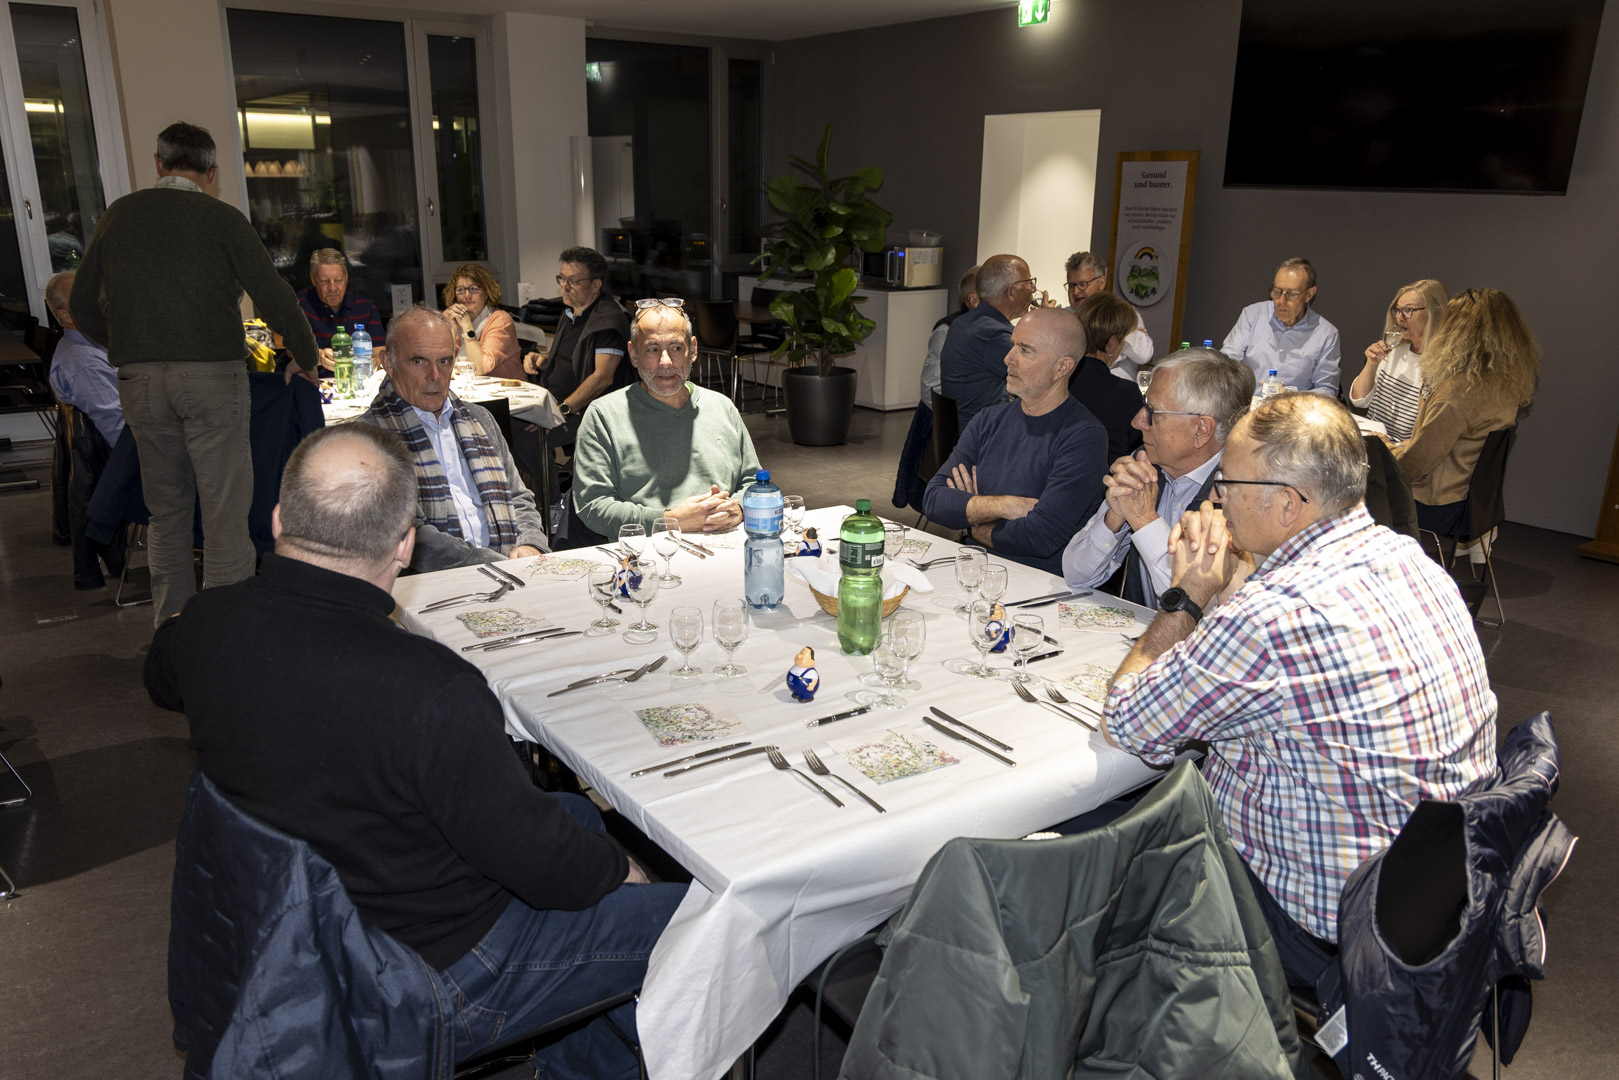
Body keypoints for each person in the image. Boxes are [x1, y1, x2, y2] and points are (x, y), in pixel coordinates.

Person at [144, 422, 683, 1074]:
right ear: (405, 546)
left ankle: (587, 1061)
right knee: (695, 921)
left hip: (297, 923)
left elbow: (161, 672)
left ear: (281, 517)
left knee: (573, 816)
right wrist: (619, 872)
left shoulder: (205, 627)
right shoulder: (431, 688)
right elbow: (538, 864)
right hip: (423, 974)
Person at [1102, 393, 1496, 990]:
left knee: (1098, 842)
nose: (1217, 498)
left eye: (1228, 483)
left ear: (1288, 503)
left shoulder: (1275, 614)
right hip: (1435, 897)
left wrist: (1189, 596)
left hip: (1323, 925)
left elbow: (1127, 722)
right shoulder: (1411, 561)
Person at [69, 121, 320, 626]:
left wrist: (126, 346)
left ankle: (172, 635)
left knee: (167, 516)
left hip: (140, 381)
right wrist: (306, 355)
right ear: (211, 173)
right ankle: (221, 641)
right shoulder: (222, 218)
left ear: (158, 164)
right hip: (211, 379)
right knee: (225, 517)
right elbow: (273, 294)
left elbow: (81, 304)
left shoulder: (119, 215)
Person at [357, 307, 548, 571]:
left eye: (444, 361)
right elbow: (410, 536)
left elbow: (518, 496)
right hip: (434, 582)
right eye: (419, 361)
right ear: (388, 363)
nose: (435, 376)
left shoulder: (479, 419)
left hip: (513, 568)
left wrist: (530, 544)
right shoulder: (367, 438)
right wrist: (498, 565)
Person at [923, 307, 1108, 574]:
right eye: (1012, 346)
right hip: (975, 569)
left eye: (1025, 350)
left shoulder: (1084, 437)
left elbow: (1040, 536)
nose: (1008, 358)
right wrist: (1007, 505)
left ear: (1062, 367)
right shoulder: (988, 420)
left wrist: (974, 521)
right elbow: (934, 500)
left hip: (1036, 583)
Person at [1062, 347, 1253, 603]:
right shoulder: (1146, 466)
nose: (1137, 422)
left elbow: (1193, 600)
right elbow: (1076, 575)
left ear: (1201, 430)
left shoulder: (1240, 496)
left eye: (1152, 412)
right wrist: (1114, 518)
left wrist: (1144, 520)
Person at [572, 300, 760, 538]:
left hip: (727, 543)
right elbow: (592, 506)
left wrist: (739, 508)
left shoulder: (722, 407)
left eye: (676, 347)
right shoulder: (603, 416)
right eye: (652, 349)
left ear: (693, 350)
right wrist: (670, 521)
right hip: (650, 549)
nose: (665, 362)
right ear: (634, 354)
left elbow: (755, 482)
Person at [1393, 288, 1539, 535]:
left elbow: (1413, 467)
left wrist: (1387, 450)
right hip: (1475, 505)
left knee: (1358, 481)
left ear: (1455, 332)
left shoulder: (1456, 393)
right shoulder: (1504, 385)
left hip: (1438, 505)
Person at [45, 270, 126, 589]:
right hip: (123, 464)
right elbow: (119, 431)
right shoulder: (84, 362)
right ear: (65, 315)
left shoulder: (91, 347)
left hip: (111, 459)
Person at [523, 246, 633, 429]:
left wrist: (560, 411)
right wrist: (545, 360)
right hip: (554, 403)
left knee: (520, 438)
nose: (564, 287)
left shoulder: (608, 322)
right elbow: (574, 356)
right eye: (562, 278)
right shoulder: (570, 313)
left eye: (573, 281)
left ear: (595, 285)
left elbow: (602, 378)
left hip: (585, 414)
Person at [939, 253, 1036, 431]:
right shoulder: (993, 334)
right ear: (1011, 292)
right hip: (985, 435)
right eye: (1029, 282)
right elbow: (1037, 378)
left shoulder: (963, 322)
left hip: (964, 429)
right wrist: (1046, 324)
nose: (1034, 289)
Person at [1221, 257, 1341, 396]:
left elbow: (1327, 390)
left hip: (1293, 407)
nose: (1281, 301)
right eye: (1277, 292)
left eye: (1291, 294)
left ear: (1309, 294)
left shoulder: (1326, 334)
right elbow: (1225, 363)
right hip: (1248, 403)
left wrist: (1290, 396)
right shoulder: (1252, 315)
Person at [1348, 279, 1447, 444]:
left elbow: (1431, 437)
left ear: (1437, 312)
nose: (1400, 317)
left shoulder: (1444, 367)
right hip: (1371, 443)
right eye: (1398, 310)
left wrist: (1392, 446)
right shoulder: (1393, 350)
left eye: (1408, 310)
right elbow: (1359, 400)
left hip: (1400, 453)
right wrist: (1371, 364)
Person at [1068, 293, 1145, 461]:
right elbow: (1140, 446)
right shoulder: (1126, 392)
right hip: (1108, 474)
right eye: (1123, 340)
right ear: (1111, 344)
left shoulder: (1058, 380)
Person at [1064, 251, 1152, 377]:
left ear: (1101, 282)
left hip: (1120, 386)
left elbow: (1144, 356)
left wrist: (1119, 329)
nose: (1076, 292)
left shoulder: (1123, 313)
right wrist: (1123, 333)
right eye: (1071, 285)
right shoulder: (1063, 317)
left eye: (1083, 284)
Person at [297, 248, 385, 367]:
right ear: (313, 279)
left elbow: (380, 353)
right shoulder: (299, 304)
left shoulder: (364, 306)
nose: (333, 288)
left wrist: (365, 364)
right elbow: (293, 350)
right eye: (324, 281)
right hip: (315, 376)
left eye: (338, 280)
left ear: (346, 277)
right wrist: (319, 356)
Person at [442, 263, 522, 382]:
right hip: (464, 387)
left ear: (487, 292)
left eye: (474, 289)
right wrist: (452, 331)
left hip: (505, 390)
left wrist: (467, 327)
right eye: (460, 290)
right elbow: (439, 364)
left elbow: (479, 369)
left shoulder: (500, 320)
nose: (467, 296)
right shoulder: (449, 316)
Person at [920, 264, 980, 403]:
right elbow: (931, 389)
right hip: (944, 415)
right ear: (973, 300)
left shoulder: (996, 331)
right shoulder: (947, 330)